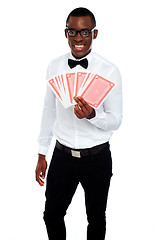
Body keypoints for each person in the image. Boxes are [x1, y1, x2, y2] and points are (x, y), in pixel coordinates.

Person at [35, 7, 122, 240]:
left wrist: (94, 116)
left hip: (97, 158)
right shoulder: (54, 66)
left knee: (95, 219)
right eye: (72, 32)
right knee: (51, 215)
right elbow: (48, 110)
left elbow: (116, 121)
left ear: (94, 34)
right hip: (62, 156)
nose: (78, 39)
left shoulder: (110, 71)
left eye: (84, 32)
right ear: (66, 33)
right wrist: (42, 152)